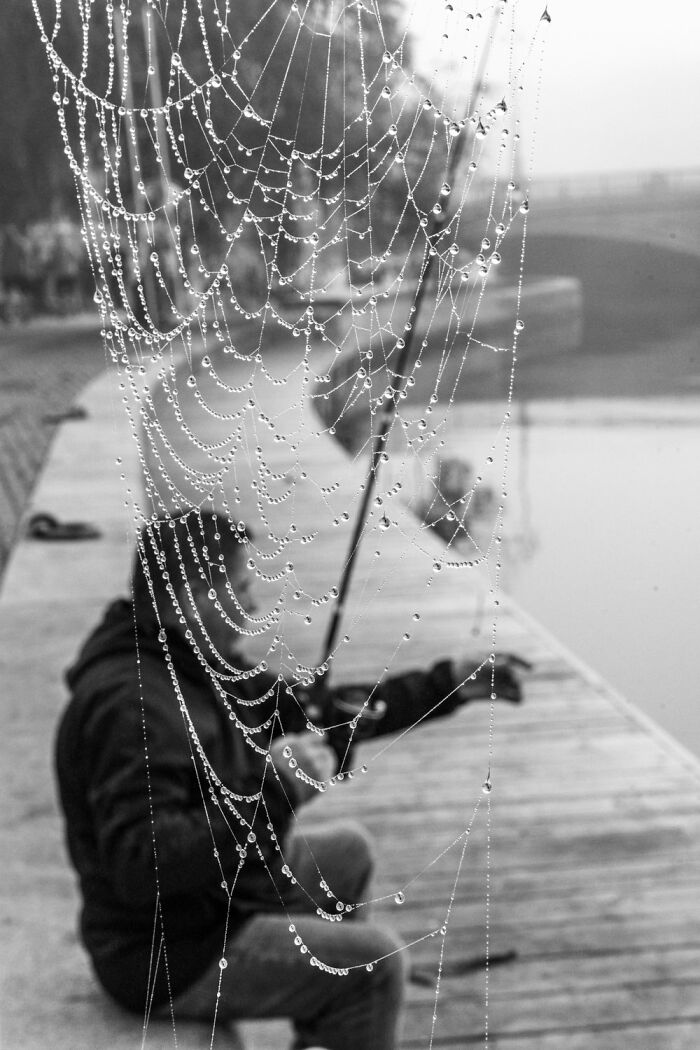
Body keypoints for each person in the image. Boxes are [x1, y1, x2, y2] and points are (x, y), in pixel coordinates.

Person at [55, 511, 525, 1050]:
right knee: (373, 968)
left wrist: (448, 684)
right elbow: (142, 866)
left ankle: (325, 1030)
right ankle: (343, 1004)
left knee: (347, 855)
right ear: (191, 599)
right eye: (241, 588)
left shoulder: (197, 664)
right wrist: (273, 789)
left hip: (213, 900)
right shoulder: (134, 706)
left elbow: (321, 716)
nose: (253, 607)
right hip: (166, 952)